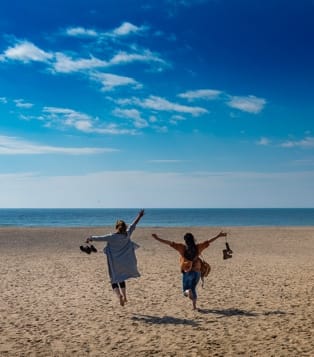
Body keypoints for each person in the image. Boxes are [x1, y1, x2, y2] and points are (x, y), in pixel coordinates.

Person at [151, 231, 227, 310]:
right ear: (193, 239)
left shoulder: (181, 247)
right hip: (197, 271)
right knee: (193, 287)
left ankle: (188, 292)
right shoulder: (198, 247)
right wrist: (218, 235)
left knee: (185, 291)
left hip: (187, 271)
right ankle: (194, 306)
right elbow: (208, 241)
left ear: (185, 240)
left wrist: (157, 238)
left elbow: (169, 243)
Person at [86, 209, 144, 306]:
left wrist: (90, 238)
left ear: (116, 227)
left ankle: (119, 296)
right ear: (124, 227)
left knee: (114, 280)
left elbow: (99, 238)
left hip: (114, 262)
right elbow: (133, 225)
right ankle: (125, 296)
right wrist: (139, 216)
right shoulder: (127, 234)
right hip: (125, 262)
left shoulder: (111, 236)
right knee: (121, 278)